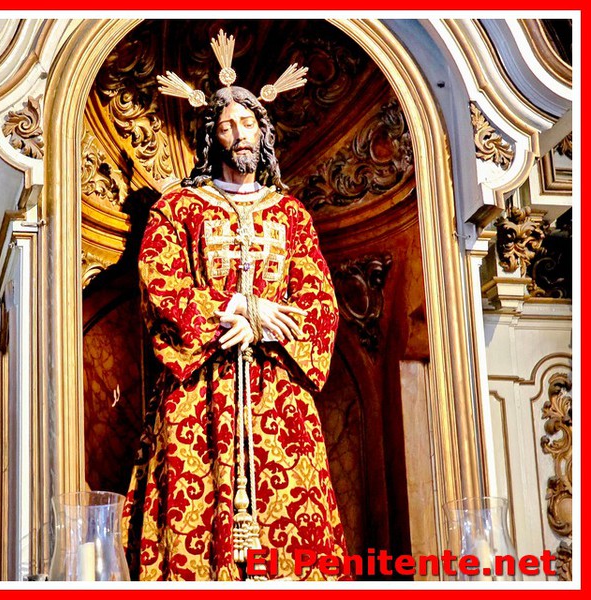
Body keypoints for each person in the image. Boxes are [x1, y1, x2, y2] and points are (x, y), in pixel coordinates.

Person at [122, 33, 347, 581]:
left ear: (263, 132)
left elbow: (319, 302)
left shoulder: (290, 214)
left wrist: (266, 326)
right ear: (212, 138)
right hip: (200, 383)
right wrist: (241, 307)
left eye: (247, 122)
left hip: (279, 390)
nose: (238, 133)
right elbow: (161, 283)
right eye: (225, 126)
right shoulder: (179, 208)